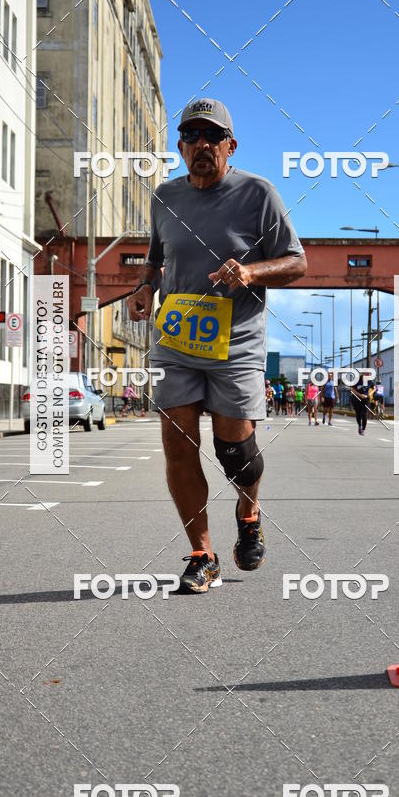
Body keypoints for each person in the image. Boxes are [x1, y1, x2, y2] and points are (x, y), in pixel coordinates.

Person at [126, 98, 306, 593]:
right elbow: (155, 261)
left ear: (231, 145)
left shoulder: (258, 194)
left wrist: (251, 271)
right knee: (178, 445)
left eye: (213, 136)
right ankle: (202, 555)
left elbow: (296, 262)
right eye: (192, 136)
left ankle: (249, 512)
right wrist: (145, 288)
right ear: (180, 146)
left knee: (235, 450)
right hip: (176, 340)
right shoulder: (165, 197)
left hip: (236, 343)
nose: (202, 144)